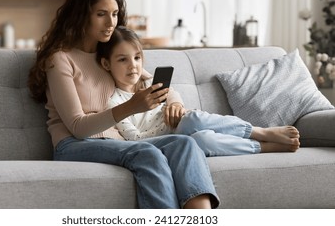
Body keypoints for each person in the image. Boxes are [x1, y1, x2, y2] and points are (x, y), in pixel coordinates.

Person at [28, 0, 219, 209]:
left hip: (117, 142)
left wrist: (175, 103)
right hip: (73, 145)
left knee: (185, 144)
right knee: (147, 154)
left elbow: (160, 87)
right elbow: (77, 127)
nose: (111, 23)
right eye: (101, 14)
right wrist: (131, 106)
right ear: (80, 15)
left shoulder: (108, 56)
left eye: (115, 14)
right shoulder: (61, 59)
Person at [96, 26, 301, 156]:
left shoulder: (150, 82)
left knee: (193, 122)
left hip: (186, 125)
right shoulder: (115, 103)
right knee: (200, 141)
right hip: (168, 140)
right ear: (106, 64)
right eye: (122, 60)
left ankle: (259, 132)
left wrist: (175, 106)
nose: (132, 66)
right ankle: (262, 147)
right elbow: (134, 140)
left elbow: (175, 99)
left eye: (137, 58)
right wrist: (168, 128)